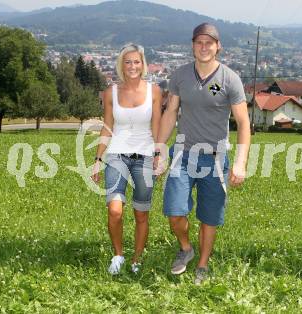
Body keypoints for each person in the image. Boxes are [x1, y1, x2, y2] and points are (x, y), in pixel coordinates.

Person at [155, 23, 251, 284]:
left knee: (209, 216)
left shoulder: (229, 79)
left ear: (218, 46)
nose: (204, 47)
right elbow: (170, 112)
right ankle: (186, 249)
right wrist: (160, 149)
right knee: (175, 212)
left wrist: (240, 163)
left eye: (210, 42)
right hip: (183, 155)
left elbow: (243, 123)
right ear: (193, 46)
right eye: (199, 42)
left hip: (215, 158)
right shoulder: (180, 76)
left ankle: (202, 265)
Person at [92, 43, 162, 275]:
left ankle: (136, 259)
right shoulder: (110, 91)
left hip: (144, 156)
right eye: (128, 62)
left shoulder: (154, 91)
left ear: (143, 64)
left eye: (137, 61)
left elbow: (157, 126)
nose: (132, 66)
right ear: (122, 65)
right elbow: (107, 127)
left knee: (141, 213)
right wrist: (98, 159)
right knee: (115, 210)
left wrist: (158, 156)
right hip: (117, 155)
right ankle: (119, 255)